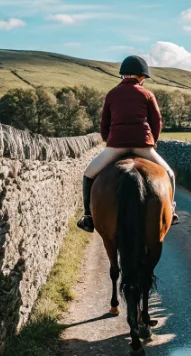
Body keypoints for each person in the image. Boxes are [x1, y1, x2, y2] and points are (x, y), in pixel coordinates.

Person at [77, 55, 179, 233]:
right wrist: (151, 140)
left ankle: (88, 217)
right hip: (143, 145)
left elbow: (104, 122)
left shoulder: (112, 93)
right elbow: (157, 121)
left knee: (88, 174)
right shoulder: (147, 94)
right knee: (169, 173)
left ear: (123, 74)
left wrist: (108, 139)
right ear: (141, 76)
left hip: (116, 145)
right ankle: (171, 209)